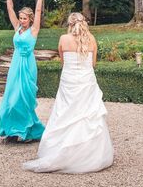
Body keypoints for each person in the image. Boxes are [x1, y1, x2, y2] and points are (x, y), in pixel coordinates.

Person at [23, 12, 113, 173]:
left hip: (69, 80)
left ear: (69, 24)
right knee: (87, 113)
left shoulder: (63, 39)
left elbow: (63, 62)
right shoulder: (91, 39)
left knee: (65, 113)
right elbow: (92, 64)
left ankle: (61, 150)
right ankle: (89, 153)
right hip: (86, 81)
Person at [0, 0, 45, 142]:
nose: (22, 20)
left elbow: (38, 11)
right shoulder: (17, 28)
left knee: (24, 98)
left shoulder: (34, 30)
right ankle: (11, 131)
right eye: (21, 18)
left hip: (28, 65)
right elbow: (9, 7)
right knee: (11, 97)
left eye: (25, 18)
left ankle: (27, 131)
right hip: (15, 64)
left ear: (30, 19)